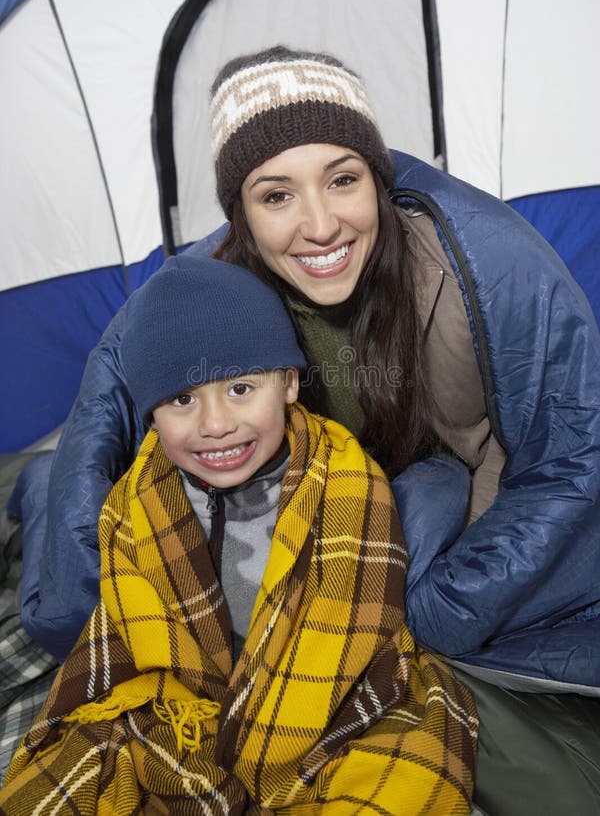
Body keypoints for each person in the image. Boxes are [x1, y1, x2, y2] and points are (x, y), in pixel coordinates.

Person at [10, 46, 600, 812]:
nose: (320, 226)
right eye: (277, 195)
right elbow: (105, 408)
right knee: (81, 530)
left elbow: (574, 455)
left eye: (344, 180)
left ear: (377, 183)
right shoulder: (212, 281)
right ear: (242, 216)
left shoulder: (482, 262)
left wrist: (432, 607)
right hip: (309, 485)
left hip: (442, 487)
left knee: (429, 512)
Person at [0, 256, 477, 814]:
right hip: (192, 697)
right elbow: (132, 622)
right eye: (182, 400)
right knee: (78, 763)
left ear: (289, 384)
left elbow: (359, 615)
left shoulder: (344, 479)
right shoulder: (140, 498)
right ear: (150, 415)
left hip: (322, 691)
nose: (215, 424)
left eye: (241, 389)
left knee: (414, 761)